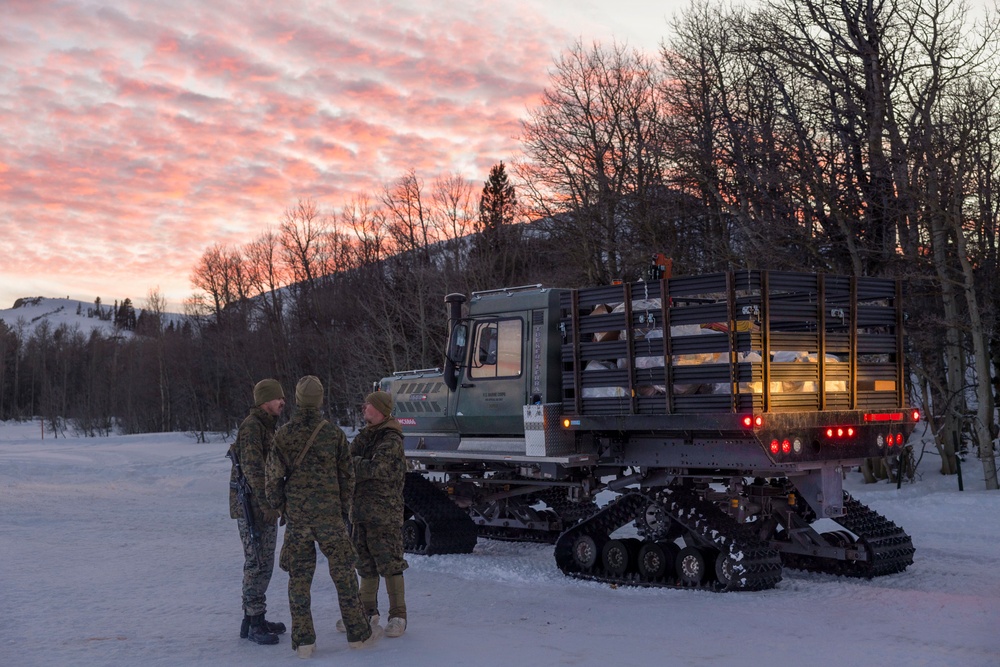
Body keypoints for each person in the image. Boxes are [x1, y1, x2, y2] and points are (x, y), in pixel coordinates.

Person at [265, 375, 381, 658]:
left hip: (298, 519)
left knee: (299, 579)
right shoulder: (333, 434)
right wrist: (342, 508)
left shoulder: (283, 435)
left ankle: (304, 642)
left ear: (297, 399)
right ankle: (358, 635)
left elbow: (272, 479)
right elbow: (348, 476)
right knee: (344, 575)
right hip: (330, 518)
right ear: (320, 400)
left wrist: (282, 506)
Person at [338, 390, 408, 638]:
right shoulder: (365, 436)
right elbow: (344, 461)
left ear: (380, 410)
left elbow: (377, 468)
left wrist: (354, 463)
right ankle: (367, 612)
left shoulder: (391, 439)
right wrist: (355, 463)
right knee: (364, 563)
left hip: (384, 513)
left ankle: (398, 615)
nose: (363, 407)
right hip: (360, 512)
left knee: (390, 563)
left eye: (368, 404)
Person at [229, 378, 287, 645]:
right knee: (257, 564)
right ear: (264, 401)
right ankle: (254, 623)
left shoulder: (266, 426)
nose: (282, 402)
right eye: (277, 398)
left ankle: (253, 619)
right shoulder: (253, 427)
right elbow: (254, 470)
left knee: (263, 563)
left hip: (260, 506)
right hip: (253, 508)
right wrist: (266, 504)